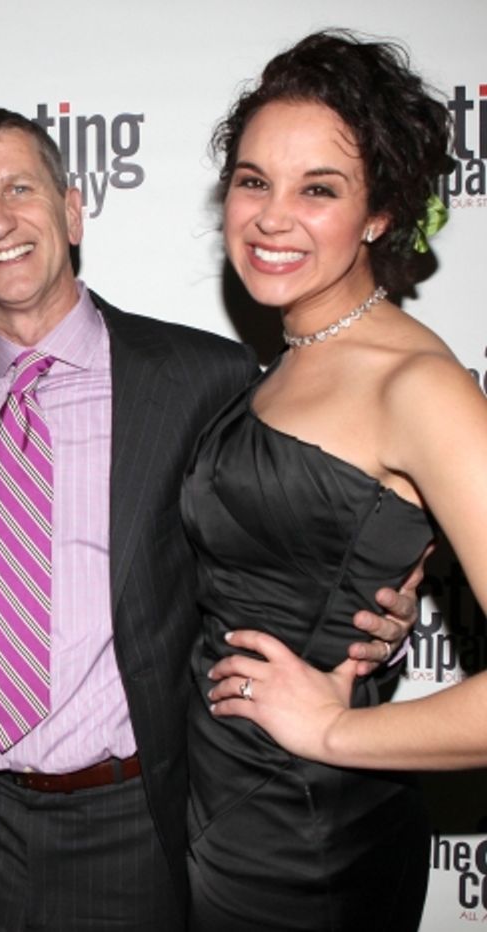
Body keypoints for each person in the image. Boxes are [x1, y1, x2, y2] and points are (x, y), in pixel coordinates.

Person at [0, 106, 420, 932]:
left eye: (18, 190)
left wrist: (368, 626)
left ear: (72, 209)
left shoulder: (201, 380)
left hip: (130, 822)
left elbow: (285, 544)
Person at [180, 30, 460, 932]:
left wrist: (339, 732)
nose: (271, 216)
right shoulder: (291, 357)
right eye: (254, 180)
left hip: (310, 843)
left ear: (380, 213)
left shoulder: (416, 385)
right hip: (221, 804)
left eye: (319, 190)